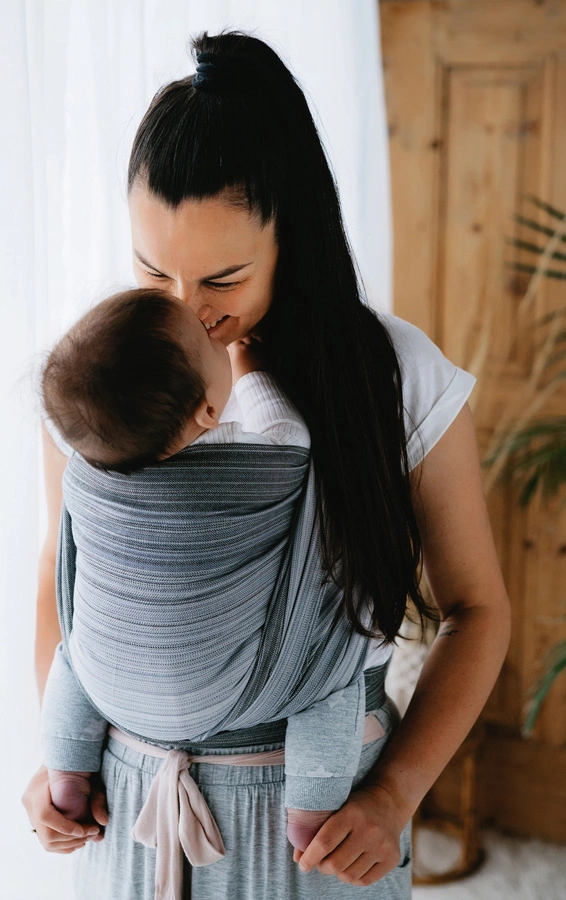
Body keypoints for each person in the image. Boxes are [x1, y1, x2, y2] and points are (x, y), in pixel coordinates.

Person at [22, 29, 511, 899]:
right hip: (131, 805)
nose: (187, 311)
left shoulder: (395, 377)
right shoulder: (104, 377)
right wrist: (60, 761)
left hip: (323, 813)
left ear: (295, 237)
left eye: (223, 279)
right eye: (152, 270)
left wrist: (396, 794)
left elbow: (477, 610)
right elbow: (65, 583)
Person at [39, 285, 379, 856]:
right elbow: (288, 432)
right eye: (207, 339)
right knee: (329, 677)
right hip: (243, 687)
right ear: (208, 412)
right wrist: (251, 363)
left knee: (74, 657)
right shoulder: (260, 463)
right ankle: (311, 809)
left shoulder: (86, 473)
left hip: (111, 685)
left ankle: (66, 774)